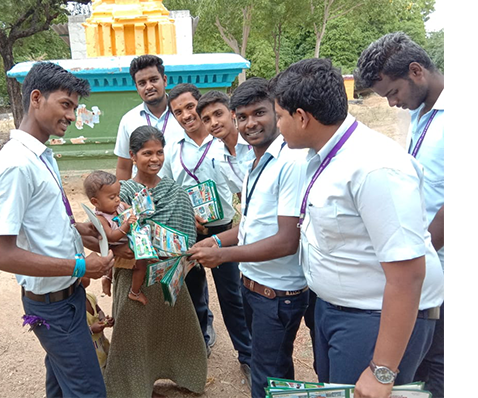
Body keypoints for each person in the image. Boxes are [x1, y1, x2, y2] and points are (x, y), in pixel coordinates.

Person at [269, 57, 444, 398]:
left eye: (279, 116)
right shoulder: (325, 155)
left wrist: (382, 369)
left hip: (373, 320)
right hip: (337, 311)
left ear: (302, 117)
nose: (278, 126)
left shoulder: (376, 167)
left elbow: (407, 275)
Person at [0, 61, 115, 397]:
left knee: (61, 384)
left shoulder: (41, 155)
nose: (72, 116)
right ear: (36, 98)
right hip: (53, 307)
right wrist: (80, 266)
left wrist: (79, 231)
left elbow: (39, 224)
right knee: (89, 392)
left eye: (74, 107)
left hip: (67, 298)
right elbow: (0, 254)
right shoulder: (16, 165)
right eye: (66, 104)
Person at [189, 77, 309, 398]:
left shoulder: (289, 161)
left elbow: (287, 240)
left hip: (278, 293)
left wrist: (222, 255)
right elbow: (253, 225)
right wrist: (217, 241)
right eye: (242, 117)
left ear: (276, 112)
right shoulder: (256, 162)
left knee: (266, 379)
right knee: (273, 373)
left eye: (259, 113)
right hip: (256, 287)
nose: (250, 123)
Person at [355, 32, 444, 398]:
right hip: (423, 267)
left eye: (393, 92)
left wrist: (413, 256)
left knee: (438, 369)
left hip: (438, 265)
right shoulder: (421, 115)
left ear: (416, 71)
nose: (392, 104)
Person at [103, 125, 207, 398]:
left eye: (159, 152)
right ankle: (133, 387)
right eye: (147, 153)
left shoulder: (175, 191)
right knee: (133, 334)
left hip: (168, 274)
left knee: (176, 328)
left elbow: (187, 232)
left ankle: (185, 375)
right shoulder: (121, 192)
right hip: (133, 276)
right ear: (132, 156)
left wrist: (175, 250)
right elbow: (109, 231)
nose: (155, 159)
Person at [159, 83, 253, 384]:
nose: (186, 115)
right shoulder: (172, 149)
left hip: (224, 232)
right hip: (189, 233)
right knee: (193, 293)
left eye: (190, 107)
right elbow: (167, 188)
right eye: (178, 112)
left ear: (200, 106)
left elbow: (242, 187)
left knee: (232, 296)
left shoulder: (222, 141)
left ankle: (247, 355)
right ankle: (200, 345)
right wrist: (186, 214)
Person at [83, 170, 150, 304]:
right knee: (142, 263)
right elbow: (112, 236)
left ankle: (107, 278)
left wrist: (139, 205)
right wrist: (126, 225)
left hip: (126, 240)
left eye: (118, 195)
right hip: (118, 248)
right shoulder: (100, 218)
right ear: (95, 202)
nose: (118, 199)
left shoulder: (119, 206)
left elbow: (130, 208)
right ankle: (135, 292)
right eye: (112, 197)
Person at [114, 54, 184, 181]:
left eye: (154, 80)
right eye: (142, 83)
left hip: (182, 190)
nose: (149, 87)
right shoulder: (129, 120)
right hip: (144, 192)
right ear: (137, 87)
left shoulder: (185, 116)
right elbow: (124, 167)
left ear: (164, 80)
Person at [197, 90, 253, 198]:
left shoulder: (254, 145)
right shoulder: (222, 161)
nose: (214, 123)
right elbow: (241, 195)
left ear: (232, 113)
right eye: (207, 120)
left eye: (218, 114)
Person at [82, 277, 115, 370]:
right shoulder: (71, 308)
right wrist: (91, 330)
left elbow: (98, 310)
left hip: (101, 344)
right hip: (90, 354)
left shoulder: (89, 296)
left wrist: (103, 319)